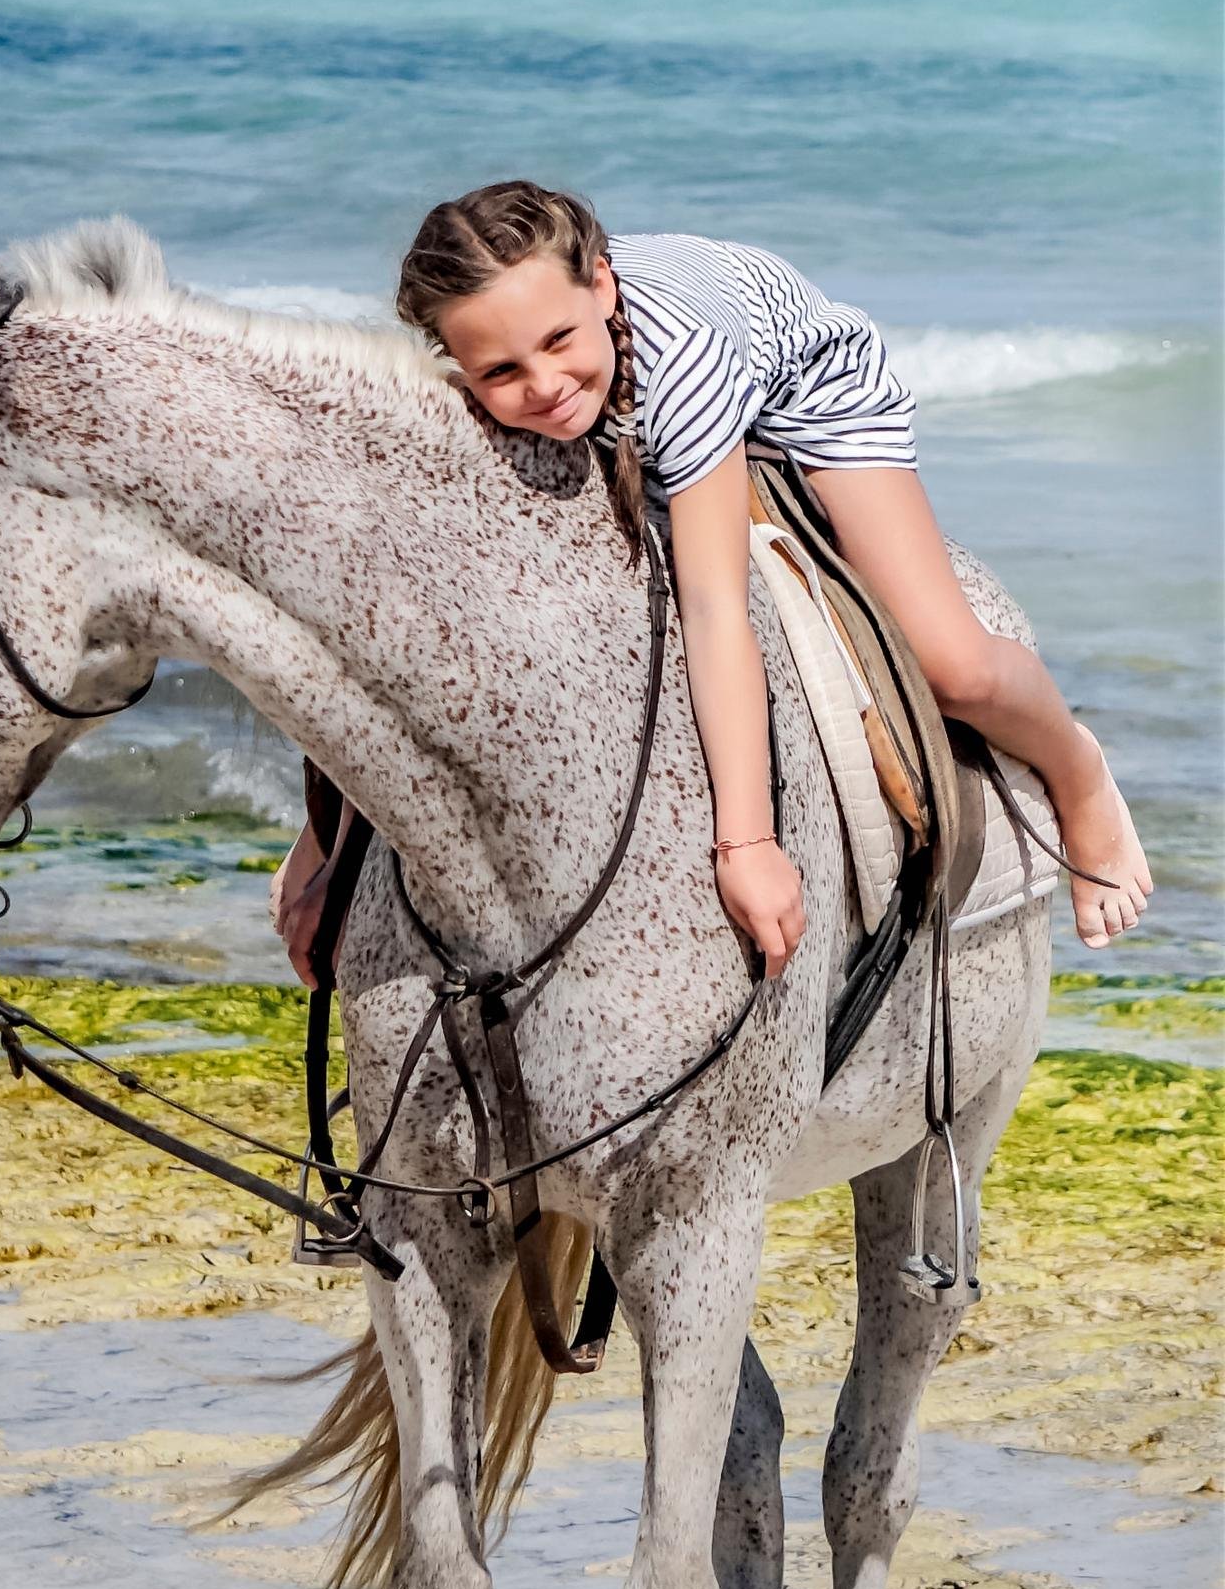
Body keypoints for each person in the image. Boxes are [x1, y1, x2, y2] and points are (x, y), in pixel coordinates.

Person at [272, 180, 1148, 985]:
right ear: (457, 361)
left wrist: (748, 842)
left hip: (806, 393)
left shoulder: (681, 355)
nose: (542, 386)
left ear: (603, 290)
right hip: (637, 400)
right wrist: (331, 845)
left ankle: (1078, 772)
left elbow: (716, 608)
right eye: (500, 371)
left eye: (557, 341)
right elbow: (414, 633)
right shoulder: (482, 387)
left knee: (952, 663)